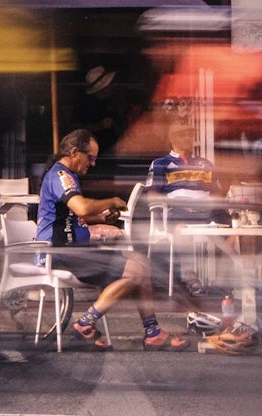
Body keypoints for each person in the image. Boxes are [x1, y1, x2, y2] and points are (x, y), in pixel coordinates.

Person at [35, 128, 188, 351]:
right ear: (75, 152)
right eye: (91, 157)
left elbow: (79, 215)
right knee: (135, 270)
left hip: (73, 249)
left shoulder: (67, 175)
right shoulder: (61, 176)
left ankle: (152, 332)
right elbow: (81, 206)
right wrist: (112, 201)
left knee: (140, 263)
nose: (93, 163)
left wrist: (102, 217)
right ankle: (85, 322)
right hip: (59, 251)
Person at [145, 122, 221, 293]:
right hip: (175, 211)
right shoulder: (160, 163)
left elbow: (217, 192)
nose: (188, 138)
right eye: (183, 134)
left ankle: (227, 280)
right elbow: (152, 195)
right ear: (172, 138)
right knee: (182, 228)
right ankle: (191, 278)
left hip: (205, 211)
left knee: (230, 227)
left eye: (190, 134)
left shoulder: (205, 163)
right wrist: (168, 207)